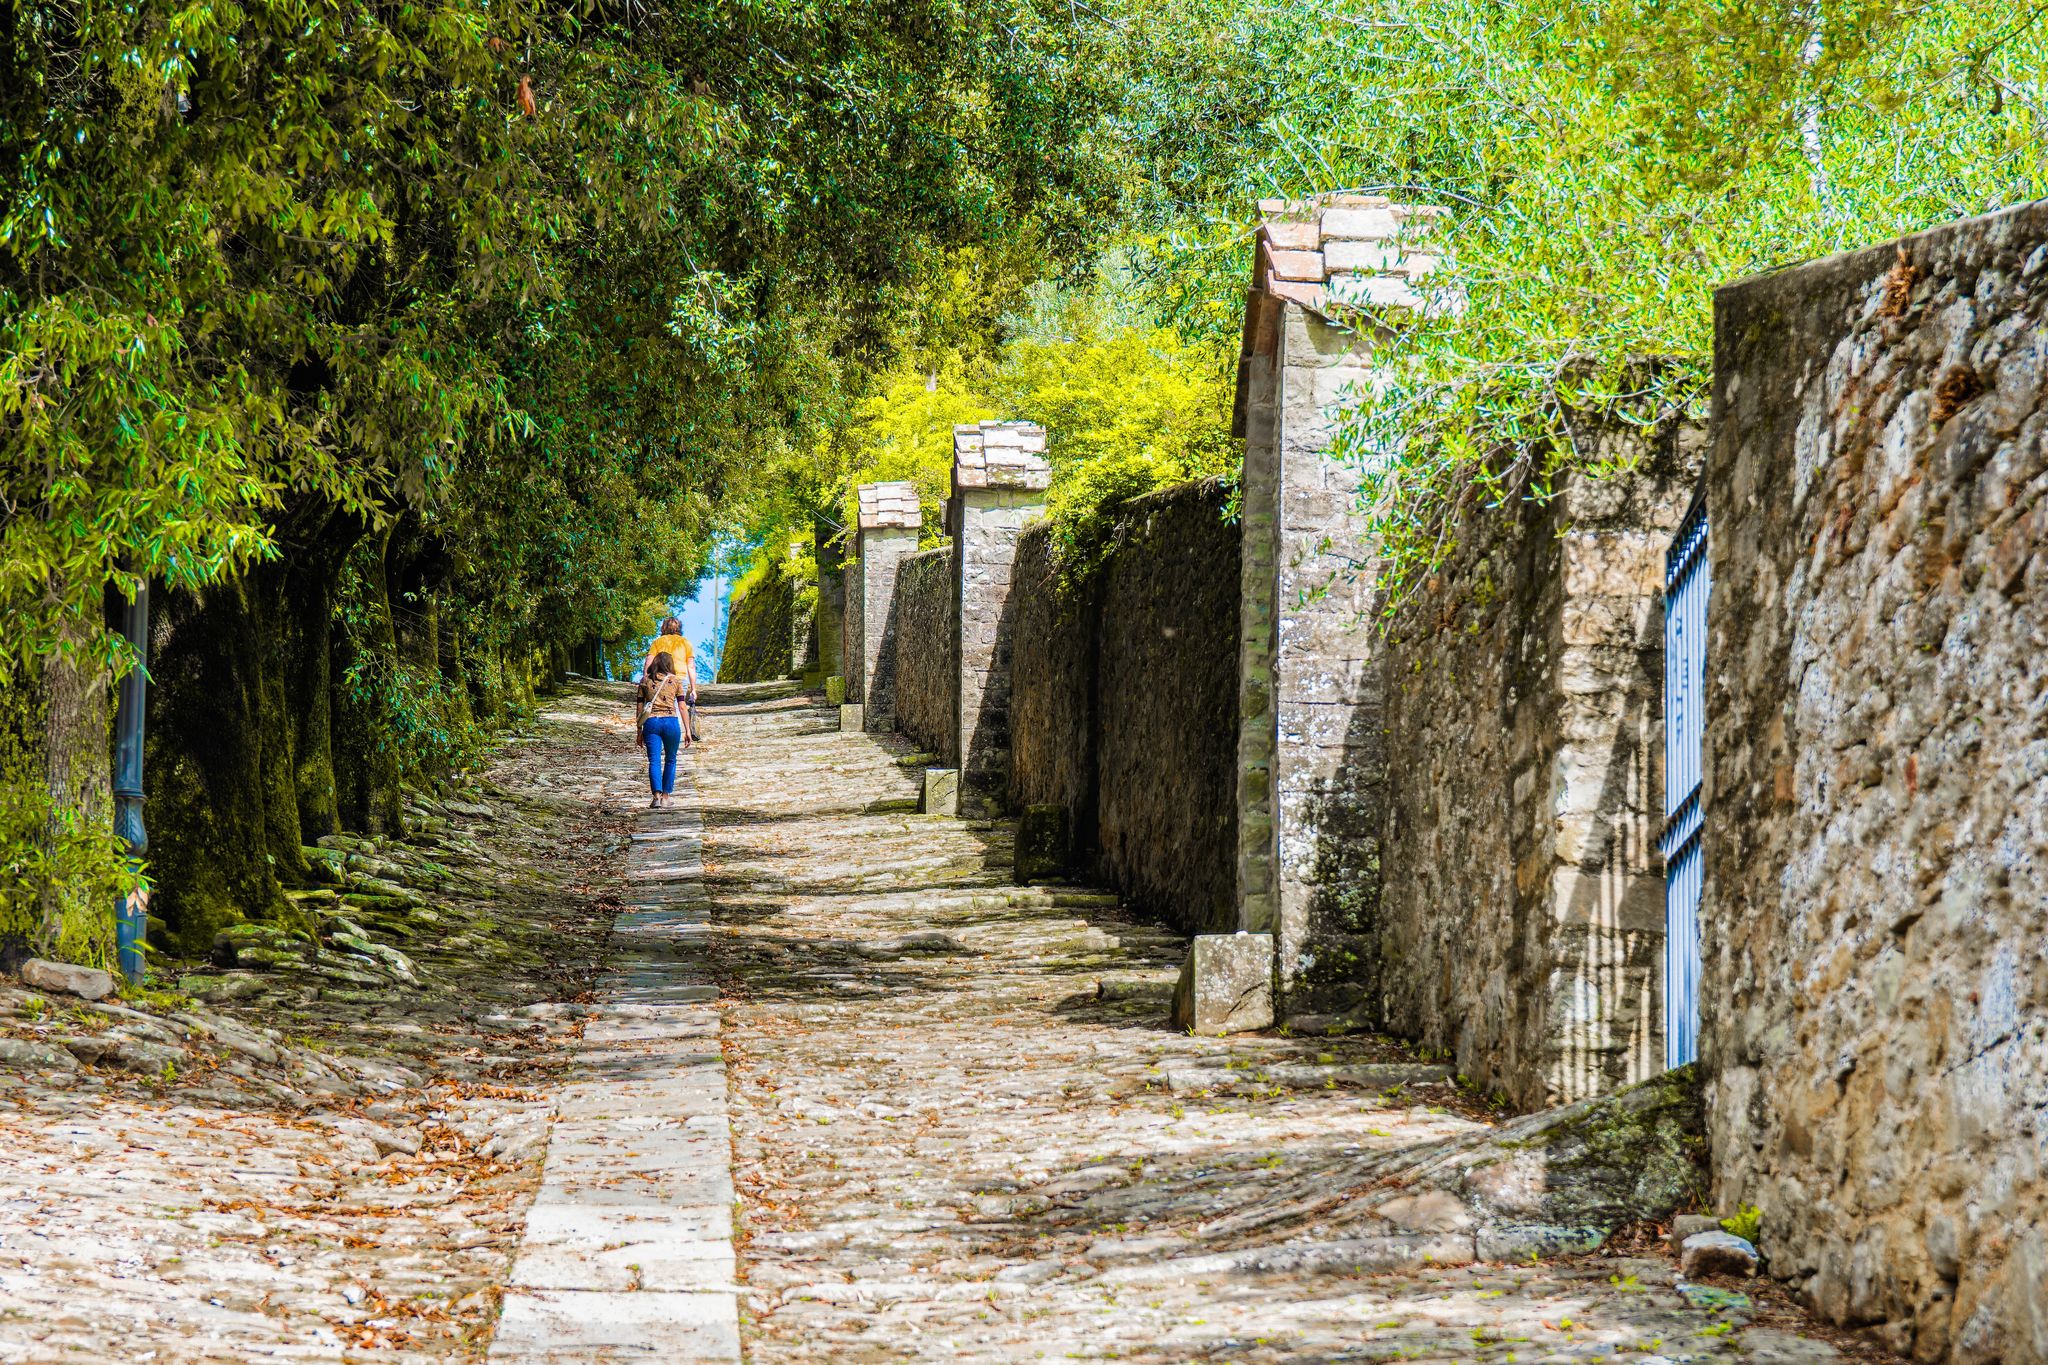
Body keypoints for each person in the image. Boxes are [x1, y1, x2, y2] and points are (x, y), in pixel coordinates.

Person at [636, 651, 688, 808]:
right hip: (671, 722)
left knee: (654, 760)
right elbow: (682, 706)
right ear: (669, 665)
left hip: (651, 723)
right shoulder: (676, 681)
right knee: (671, 759)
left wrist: (639, 731)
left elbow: (639, 709)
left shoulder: (645, 681)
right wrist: (688, 730)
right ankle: (666, 797)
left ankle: (656, 797)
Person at [643, 616, 700, 744]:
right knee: (678, 707)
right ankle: (674, 739)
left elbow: (649, 661)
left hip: (659, 678)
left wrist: (646, 679)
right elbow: (691, 666)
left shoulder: (658, 642)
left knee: (660, 706)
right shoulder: (686, 642)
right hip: (679, 678)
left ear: (663, 628)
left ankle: (659, 738)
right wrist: (693, 689)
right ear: (679, 628)